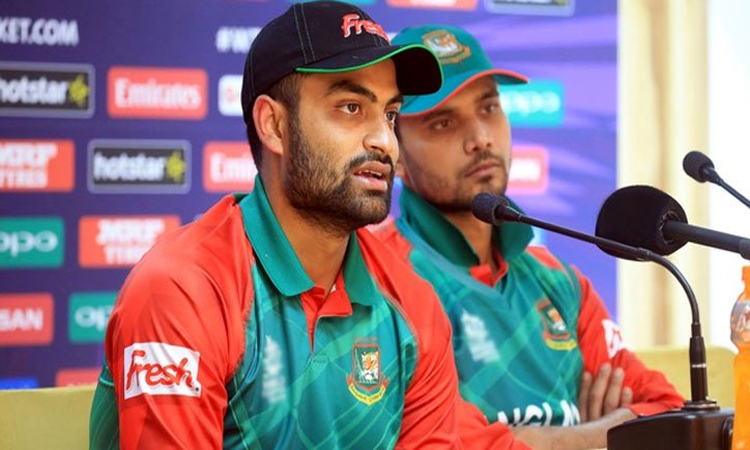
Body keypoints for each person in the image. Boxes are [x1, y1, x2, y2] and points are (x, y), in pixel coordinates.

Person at [87, 4, 465, 448]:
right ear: (274, 126)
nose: (385, 141)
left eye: (390, 114)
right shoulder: (183, 289)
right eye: (351, 107)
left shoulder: (415, 306)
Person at [375, 24, 685, 449]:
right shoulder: (379, 281)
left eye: (489, 107)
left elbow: (671, 413)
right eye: (443, 122)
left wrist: (551, 439)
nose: (480, 138)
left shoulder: (559, 281)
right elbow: (450, 443)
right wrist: (600, 436)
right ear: (395, 153)